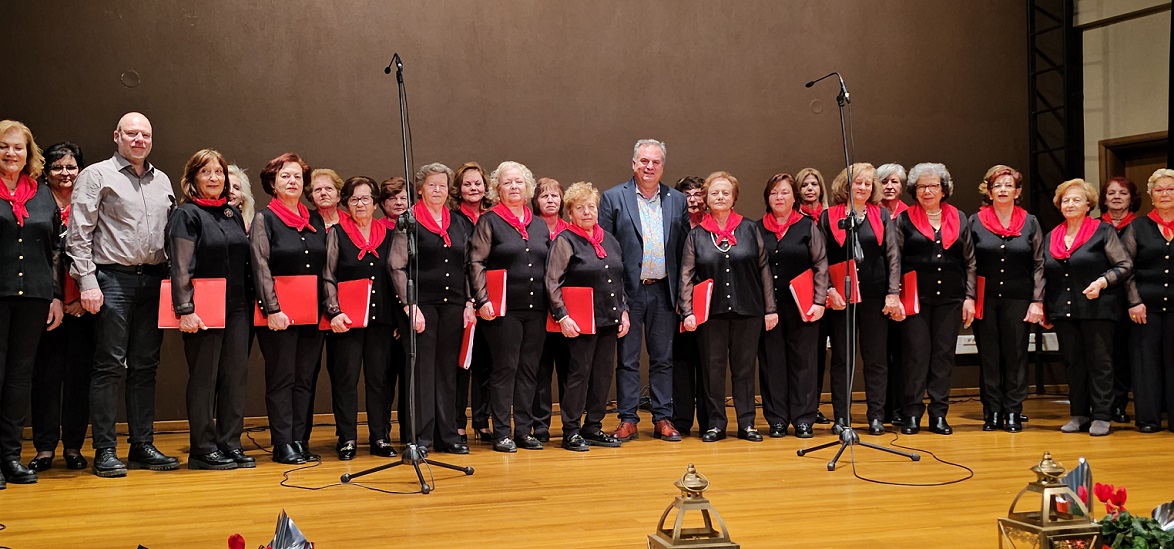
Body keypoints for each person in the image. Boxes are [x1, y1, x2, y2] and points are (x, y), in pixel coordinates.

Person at [67, 112, 178, 477]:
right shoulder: (96, 175)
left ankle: (142, 445)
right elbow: (79, 233)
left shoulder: (162, 180)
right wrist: (87, 282)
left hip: (154, 282)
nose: (139, 140)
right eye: (131, 133)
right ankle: (104, 450)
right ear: (117, 136)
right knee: (109, 366)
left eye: (145, 134)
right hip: (112, 280)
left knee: (146, 367)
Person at [166, 149, 254, 470]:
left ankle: (230, 443)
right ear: (193, 179)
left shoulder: (231, 213)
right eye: (206, 172)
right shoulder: (186, 214)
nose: (214, 178)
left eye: (219, 172)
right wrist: (185, 308)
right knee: (205, 378)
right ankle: (202, 449)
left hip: (238, 307)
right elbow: (180, 266)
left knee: (235, 377)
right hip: (202, 308)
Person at [598, 139, 689, 442]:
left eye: (656, 162)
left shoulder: (677, 200)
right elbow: (606, 251)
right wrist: (617, 299)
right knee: (627, 359)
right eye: (644, 161)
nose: (650, 166)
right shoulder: (613, 198)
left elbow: (683, 251)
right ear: (634, 163)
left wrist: (682, 295)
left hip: (664, 291)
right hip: (629, 292)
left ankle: (663, 417)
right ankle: (628, 419)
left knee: (663, 358)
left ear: (663, 166)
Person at [680, 171, 777, 442]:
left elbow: (764, 269)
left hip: (749, 310)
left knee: (744, 369)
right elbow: (686, 275)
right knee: (712, 370)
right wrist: (687, 312)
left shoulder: (749, 229)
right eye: (714, 193)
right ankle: (715, 424)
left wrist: (770, 309)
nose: (720, 197)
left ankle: (747, 423)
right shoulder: (697, 235)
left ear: (734, 197)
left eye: (725, 192)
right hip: (711, 314)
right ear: (706, 199)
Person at [390, 163, 475, 455]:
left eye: (442, 185)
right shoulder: (408, 220)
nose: (437, 190)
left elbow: (466, 265)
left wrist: (469, 302)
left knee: (447, 371)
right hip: (421, 305)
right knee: (422, 372)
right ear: (420, 189)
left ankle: (447, 435)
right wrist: (409, 305)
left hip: (453, 304)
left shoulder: (458, 222)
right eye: (431, 185)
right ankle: (421, 438)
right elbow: (396, 266)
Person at [468, 161, 549, 452]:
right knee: (505, 368)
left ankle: (524, 431)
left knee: (529, 370)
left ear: (527, 187)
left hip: (537, 308)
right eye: (507, 182)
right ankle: (502, 432)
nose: (514, 187)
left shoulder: (539, 224)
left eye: (518, 182)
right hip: (503, 309)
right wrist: (482, 299)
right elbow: (476, 262)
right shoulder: (489, 221)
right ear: (497, 189)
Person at [251, 152, 327, 464]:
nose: (292, 181)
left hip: (312, 312)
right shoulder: (264, 219)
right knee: (282, 378)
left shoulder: (315, 220)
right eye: (285, 176)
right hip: (279, 314)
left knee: (305, 378)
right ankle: (283, 443)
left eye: (297, 176)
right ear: (273, 183)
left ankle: (299, 439)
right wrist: (272, 309)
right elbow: (260, 266)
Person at [0, 120, 63, 488]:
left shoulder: (41, 194)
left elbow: (54, 249)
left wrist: (56, 295)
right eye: (4, 146)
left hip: (35, 297)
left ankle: (10, 456)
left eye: (18, 147)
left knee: (19, 379)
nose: (11, 153)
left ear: (29, 154)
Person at [545, 182, 630, 451]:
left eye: (591, 207)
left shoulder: (609, 240)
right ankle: (571, 430)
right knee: (578, 374)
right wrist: (562, 316)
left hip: (609, 318)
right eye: (580, 208)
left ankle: (593, 426)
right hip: (579, 321)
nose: (586, 212)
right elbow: (552, 282)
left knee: (603, 375)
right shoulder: (565, 240)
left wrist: (624, 311)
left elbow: (619, 279)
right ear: (570, 213)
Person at [818, 163, 901, 436]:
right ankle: (842, 417)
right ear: (847, 184)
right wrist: (829, 290)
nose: (863, 187)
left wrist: (893, 293)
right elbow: (820, 259)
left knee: (876, 359)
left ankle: (876, 416)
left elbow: (892, 255)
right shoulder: (829, 216)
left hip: (876, 296)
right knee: (842, 359)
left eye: (868, 183)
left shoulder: (881, 215)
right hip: (841, 297)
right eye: (858, 182)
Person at [1044, 178, 1131, 436]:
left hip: (1097, 309)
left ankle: (1102, 415)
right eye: (1066, 200)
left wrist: (1103, 282)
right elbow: (1045, 274)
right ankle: (1079, 414)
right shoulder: (1052, 236)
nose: (1070, 204)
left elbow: (1124, 265)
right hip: (1064, 310)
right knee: (1073, 364)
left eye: (1076, 200)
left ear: (1088, 205)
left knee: (1100, 363)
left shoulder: (1103, 231)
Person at [895, 163, 976, 435]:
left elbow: (970, 261)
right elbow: (895, 260)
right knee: (916, 357)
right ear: (914, 191)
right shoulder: (904, 219)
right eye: (921, 186)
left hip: (951, 299)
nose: (927, 191)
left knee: (943, 356)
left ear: (943, 189)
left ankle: (939, 413)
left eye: (933, 186)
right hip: (915, 299)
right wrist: (894, 294)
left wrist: (970, 297)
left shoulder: (959, 217)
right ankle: (912, 413)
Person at [323, 176, 400, 459]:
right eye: (354, 199)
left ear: (376, 203)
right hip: (346, 321)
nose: (360, 204)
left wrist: (398, 319)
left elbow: (396, 278)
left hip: (382, 320)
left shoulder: (389, 234)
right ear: (346, 203)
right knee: (345, 380)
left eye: (366, 198)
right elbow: (328, 276)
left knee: (379, 381)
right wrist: (334, 311)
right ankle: (347, 438)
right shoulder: (337, 233)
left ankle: (380, 437)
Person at [29, 142, 92, 474]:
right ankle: (44, 448)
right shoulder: (36, 202)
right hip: (46, 303)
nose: (65, 173)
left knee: (79, 378)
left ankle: (73, 447)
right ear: (45, 172)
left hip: (85, 303)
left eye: (71, 167)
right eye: (57, 167)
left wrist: (81, 298)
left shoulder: (91, 201)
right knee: (46, 378)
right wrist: (54, 297)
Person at [969, 165, 1044, 432]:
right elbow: (970, 263)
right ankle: (992, 411)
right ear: (989, 192)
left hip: (1019, 299)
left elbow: (1039, 263)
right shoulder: (975, 221)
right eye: (997, 186)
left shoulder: (1030, 222)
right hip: (985, 299)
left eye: (1008, 185)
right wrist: (969, 297)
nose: (1003, 190)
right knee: (989, 356)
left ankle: (1013, 410)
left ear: (1017, 191)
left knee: (1016, 355)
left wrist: (1037, 300)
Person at [756, 173, 827, 439]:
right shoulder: (757, 228)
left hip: (803, 307)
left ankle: (803, 419)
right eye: (774, 192)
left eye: (785, 192)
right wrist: (766, 308)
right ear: (767, 197)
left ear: (794, 197)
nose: (779, 197)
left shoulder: (807, 226)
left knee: (804, 363)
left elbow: (821, 265)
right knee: (772, 363)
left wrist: (819, 301)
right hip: (769, 309)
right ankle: (776, 419)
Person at [1121, 168, 1174, 433]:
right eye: (1159, 189)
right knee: (1146, 364)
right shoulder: (1138, 226)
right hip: (1145, 307)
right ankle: (1148, 419)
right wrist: (1134, 301)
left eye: (1170, 189)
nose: (1165, 194)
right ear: (1151, 195)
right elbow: (1126, 267)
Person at [450, 162, 494, 444]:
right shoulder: (453, 220)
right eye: (467, 184)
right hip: (462, 298)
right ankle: (457, 423)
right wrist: (469, 299)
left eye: (478, 183)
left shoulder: (493, 217)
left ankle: (482, 420)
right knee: (461, 364)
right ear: (459, 189)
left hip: (490, 299)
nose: (473, 188)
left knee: (485, 364)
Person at [1100, 176, 1141, 424]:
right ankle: (1102, 404)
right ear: (1104, 199)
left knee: (1125, 354)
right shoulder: (1095, 227)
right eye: (1111, 193)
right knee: (1104, 355)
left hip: (1132, 300)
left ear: (1131, 199)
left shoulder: (1141, 226)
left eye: (1123, 193)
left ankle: (1119, 404)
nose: (1116, 197)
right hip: (1103, 298)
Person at [532, 177, 569, 443]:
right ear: (536, 201)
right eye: (544, 196)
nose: (550, 200)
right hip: (538, 309)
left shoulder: (571, 230)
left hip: (568, 310)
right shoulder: (531, 229)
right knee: (540, 370)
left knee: (569, 369)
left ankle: (571, 423)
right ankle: (540, 425)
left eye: (555, 195)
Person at [671, 175, 708, 436]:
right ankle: (682, 420)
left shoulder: (713, 226)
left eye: (698, 194)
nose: (693, 200)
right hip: (677, 303)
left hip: (709, 304)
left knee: (707, 362)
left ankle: (708, 421)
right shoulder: (673, 226)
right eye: (687, 195)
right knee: (681, 362)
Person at [797, 166, 832, 425]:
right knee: (808, 353)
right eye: (805, 185)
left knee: (823, 354)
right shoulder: (795, 219)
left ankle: (816, 403)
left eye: (814, 184)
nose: (810, 189)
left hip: (834, 294)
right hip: (805, 294)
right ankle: (805, 405)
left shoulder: (831, 217)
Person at [877, 163, 908, 425]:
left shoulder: (910, 214)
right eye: (884, 181)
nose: (889, 186)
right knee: (880, 351)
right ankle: (883, 407)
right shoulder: (871, 213)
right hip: (878, 289)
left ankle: (900, 406)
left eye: (894, 182)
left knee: (903, 350)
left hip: (906, 290)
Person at [227, 165, 256, 229]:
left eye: (236, 188)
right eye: (226, 186)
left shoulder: (250, 227)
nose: (230, 191)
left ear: (243, 198)